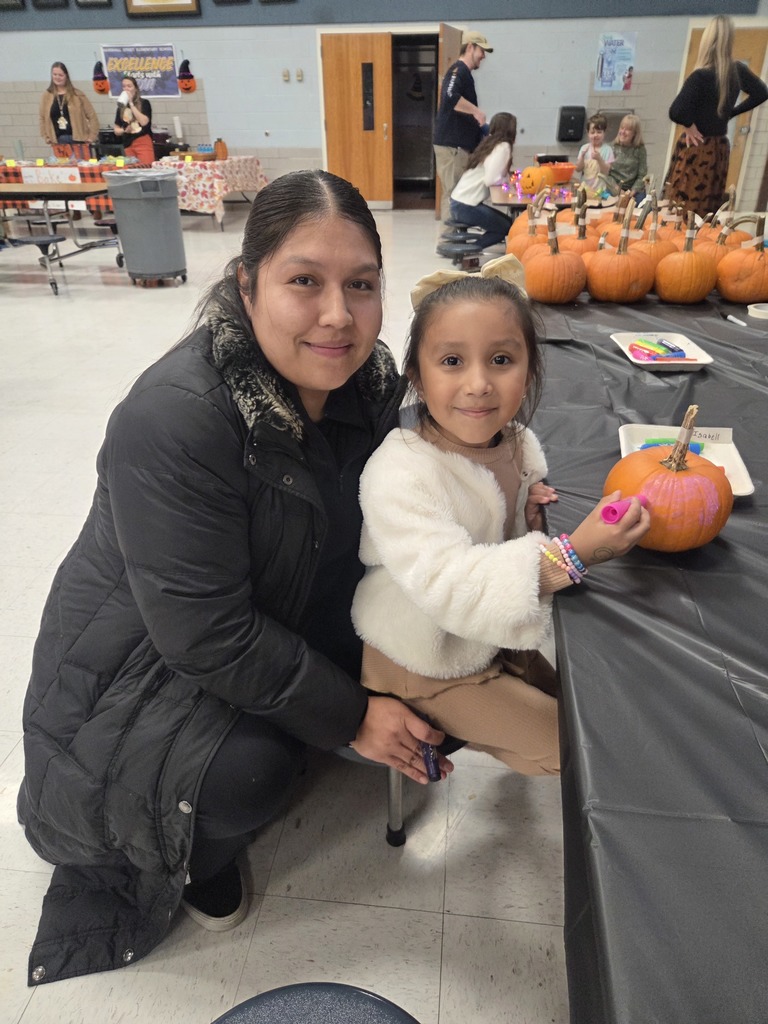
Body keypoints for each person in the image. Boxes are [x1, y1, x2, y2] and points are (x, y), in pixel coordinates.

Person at [16, 170, 453, 987]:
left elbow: (433, 462)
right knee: (249, 774)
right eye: (304, 282)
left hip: (275, 614)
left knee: (447, 673)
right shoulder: (175, 418)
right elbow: (206, 634)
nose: (338, 315)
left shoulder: (366, 385)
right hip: (145, 667)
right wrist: (354, 714)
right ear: (247, 286)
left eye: (362, 286)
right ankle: (192, 858)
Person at [351, 259, 650, 774]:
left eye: (501, 359)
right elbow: (449, 582)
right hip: (424, 660)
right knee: (577, 750)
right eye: (451, 361)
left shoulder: (515, 444)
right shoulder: (400, 471)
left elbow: (495, 536)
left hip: (486, 638)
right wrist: (573, 555)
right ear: (416, 376)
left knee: (597, 709)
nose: (478, 384)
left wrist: (528, 522)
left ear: (530, 370)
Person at [667, 14, 768, 218]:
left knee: (682, 211)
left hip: (695, 149)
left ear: (707, 41)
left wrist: (688, 125)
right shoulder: (737, 70)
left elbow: (676, 111)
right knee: (707, 210)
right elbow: (762, 92)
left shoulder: (700, 76)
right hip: (719, 149)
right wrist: (731, 113)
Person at [433, 30, 493, 221]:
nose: (483, 56)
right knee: (453, 195)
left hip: (460, 147)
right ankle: (449, 243)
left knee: (458, 194)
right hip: (452, 148)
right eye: (481, 50)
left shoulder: (465, 74)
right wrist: (476, 111)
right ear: (470, 47)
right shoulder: (458, 71)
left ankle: (456, 240)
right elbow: (450, 97)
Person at [449, 112, 517, 251]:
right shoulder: (503, 146)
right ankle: (471, 250)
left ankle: (470, 248)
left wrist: (506, 180)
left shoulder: (490, 143)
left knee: (509, 223)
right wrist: (507, 182)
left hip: (458, 201)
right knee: (508, 227)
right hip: (466, 206)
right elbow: (491, 179)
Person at [38, 61, 98, 154]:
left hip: (79, 140)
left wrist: (91, 136)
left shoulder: (77, 94)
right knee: (64, 168)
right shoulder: (46, 95)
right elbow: (42, 118)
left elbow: (92, 116)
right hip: (58, 141)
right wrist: (46, 136)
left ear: (66, 76)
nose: (57, 77)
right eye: (55, 74)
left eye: (61, 75)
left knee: (81, 166)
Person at [602, 114, 648, 199]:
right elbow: (606, 173)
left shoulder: (640, 149)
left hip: (634, 190)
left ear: (635, 133)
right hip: (613, 188)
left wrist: (631, 193)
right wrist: (618, 190)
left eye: (628, 130)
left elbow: (642, 175)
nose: (623, 132)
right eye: (622, 128)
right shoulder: (612, 147)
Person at [113, 76, 155, 163]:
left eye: (129, 86)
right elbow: (116, 130)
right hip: (128, 143)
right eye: (124, 86)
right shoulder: (121, 107)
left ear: (135, 88)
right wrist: (124, 130)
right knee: (132, 170)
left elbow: (144, 122)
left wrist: (131, 104)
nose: (126, 89)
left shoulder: (144, 103)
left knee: (146, 167)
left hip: (142, 140)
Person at [575, 113, 614, 199]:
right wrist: (581, 157)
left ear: (604, 133)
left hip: (600, 191)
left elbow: (606, 171)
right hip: (585, 190)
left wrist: (599, 159)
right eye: (592, 132)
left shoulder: (607, 150)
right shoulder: (584, 148)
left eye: (599, 132)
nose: (595, 135)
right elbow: (578, 169)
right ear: (588, 133)